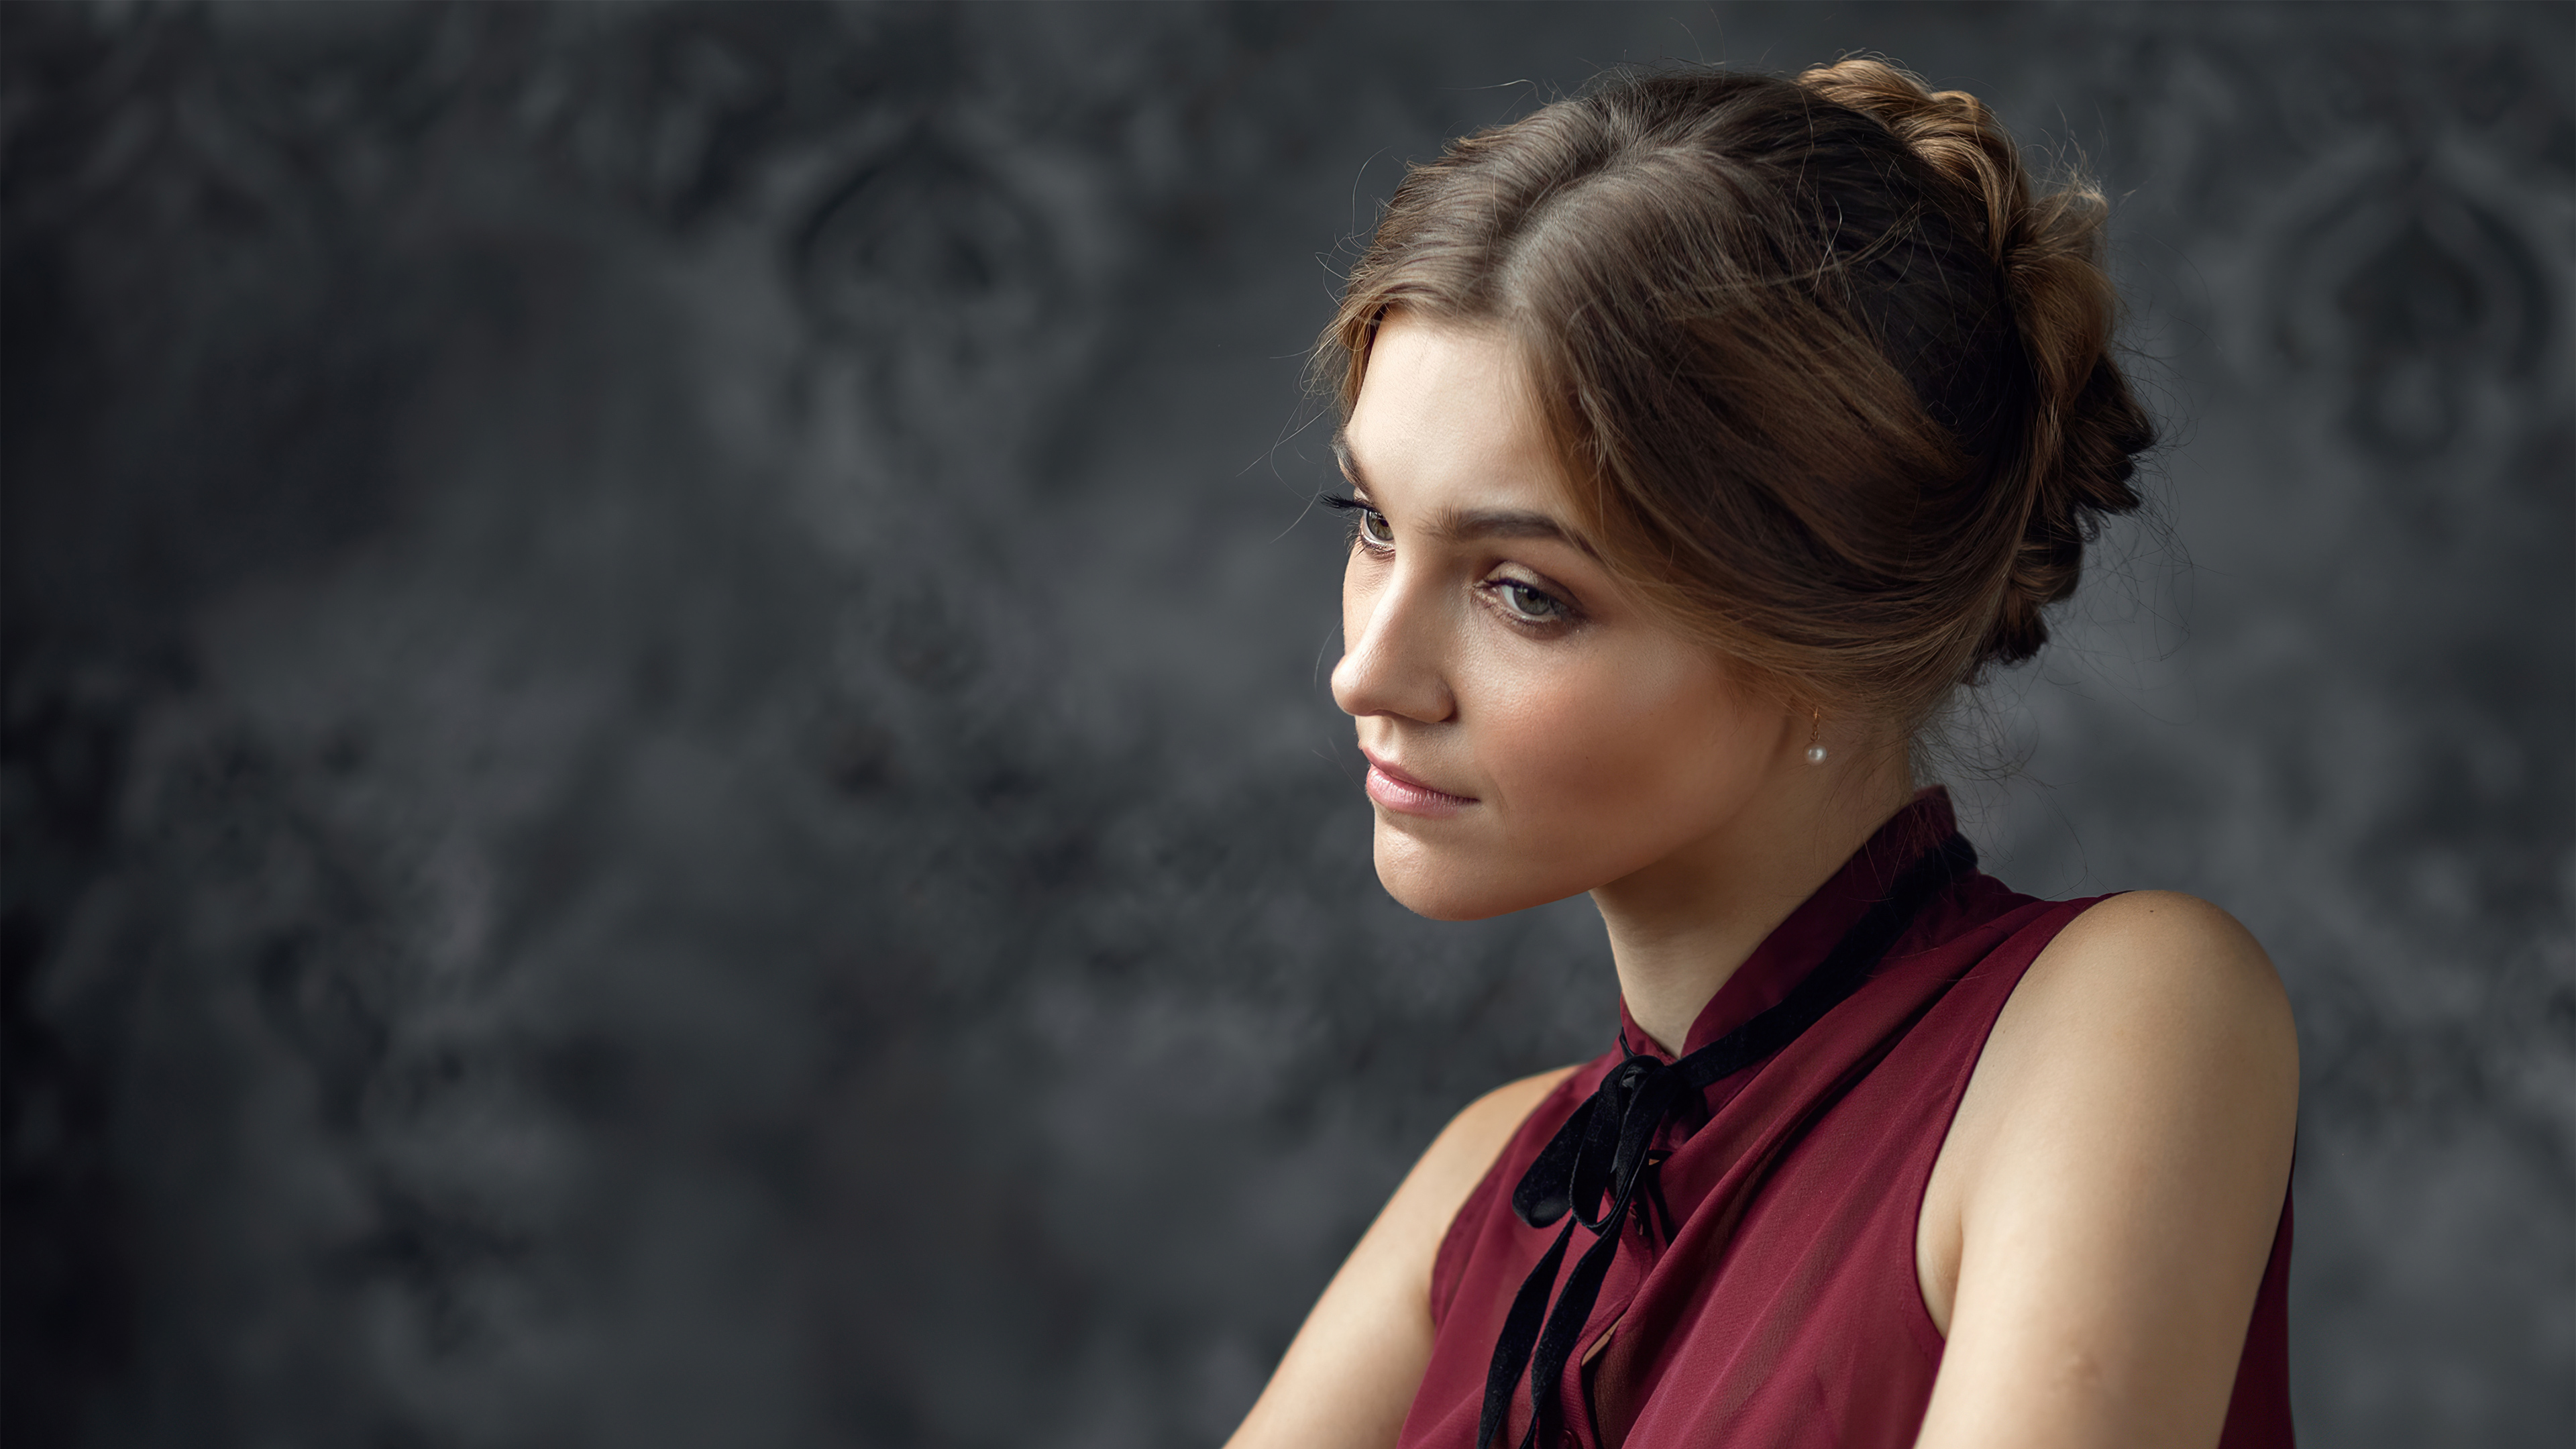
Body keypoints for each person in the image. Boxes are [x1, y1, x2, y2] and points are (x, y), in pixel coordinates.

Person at [1224, 60, 2298, 1449]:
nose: (1363, 670)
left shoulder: (2119, 1015)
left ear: (1818, 637)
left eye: (1524, 592)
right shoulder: (1488, 1184)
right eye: (1372, 524)